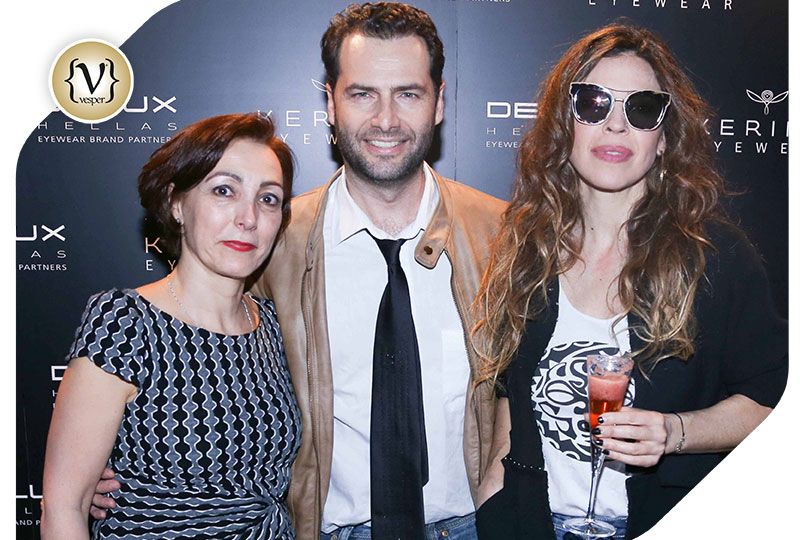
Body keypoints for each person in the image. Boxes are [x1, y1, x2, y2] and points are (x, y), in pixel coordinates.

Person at [92, 3, 504, 539]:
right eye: (362, 94)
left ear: (439, 102)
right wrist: (118, 464)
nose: (386, 119)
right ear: (330, 103)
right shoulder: (269, 242)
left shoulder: (503, 234)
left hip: (473, 527)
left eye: (408, 94)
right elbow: (195, 365)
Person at [472, 23, 788, 540]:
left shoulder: (715, 257)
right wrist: (493, 491)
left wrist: (675, 432)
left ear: (663, 139)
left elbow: (772, 402)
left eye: (641, 109)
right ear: (564, 124)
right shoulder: (527, 247)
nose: (616, 125)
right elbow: (510, 395)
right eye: (593, 103)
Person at [41, 113, 301, 540]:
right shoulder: (126, 321)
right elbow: (64, 509)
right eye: (224, 190)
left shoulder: (271, 325)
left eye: (268, 198)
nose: (248, 217)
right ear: (177, 203)